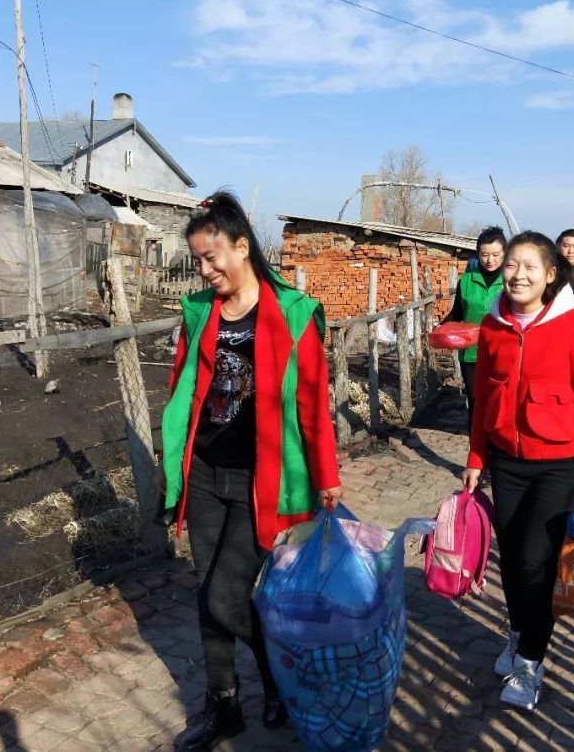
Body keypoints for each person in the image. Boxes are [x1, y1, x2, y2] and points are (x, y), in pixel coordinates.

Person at [161, 191, 343, 751]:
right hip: (206, 472)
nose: (206, 269)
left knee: (226, 593)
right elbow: (184, 391)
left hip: (262, 480)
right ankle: (224, 705)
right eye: (197, 260)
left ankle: (280, 680)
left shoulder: (290, 313)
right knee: (206, 590)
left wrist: (326, 477)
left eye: (213, 256)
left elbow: (312, 401)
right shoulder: (200, 313)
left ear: (243, 247)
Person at [462, 231, 574, 711]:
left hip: (559, 465)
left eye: (530, 267)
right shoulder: (493, 324)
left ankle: (531, 661)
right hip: (507, 462)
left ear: (551, 275)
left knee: (536, 562)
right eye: (511, 265)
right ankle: (517, 633)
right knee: (511, 561)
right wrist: (475, 457)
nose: (518, 275)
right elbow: (484, 398)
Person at [443, 226, 507, 428]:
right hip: (472, 353)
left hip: (504, 351)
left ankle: (500, 450)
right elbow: (458, 312)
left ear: (504, 253)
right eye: (485, 254)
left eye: (496, 254)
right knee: (476, 402)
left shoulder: (512, 280)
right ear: (478, 253)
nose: (490, 260)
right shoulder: (467, 280)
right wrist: (441, 327)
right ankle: (477, 452)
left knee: (502, 401)